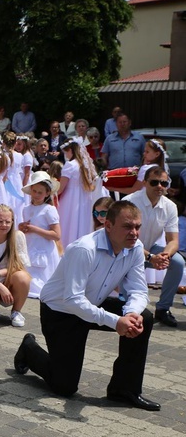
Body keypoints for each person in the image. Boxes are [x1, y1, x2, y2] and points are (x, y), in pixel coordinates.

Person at [13, 201, 160, 412]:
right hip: (61, 312)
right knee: (64, 386)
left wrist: (131, 314)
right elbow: (73, 299)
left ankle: (124, 389)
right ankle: (28, 349)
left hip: (92, 304)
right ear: (108, 225)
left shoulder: (135, 248)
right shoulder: (84, 249)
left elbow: (138, 290)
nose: (134, 233)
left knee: (143, 318)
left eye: (137, 226)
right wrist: (116, 321)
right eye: (127, 226)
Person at [127, 167, 184, 327]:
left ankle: (163, 309)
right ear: (144, 183)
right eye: (154, 182)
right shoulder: (131, 202)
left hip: (150, 250)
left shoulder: (170, 206)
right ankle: (128, 308)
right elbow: (127, 238)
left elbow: (173, 240)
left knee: (178, 262)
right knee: (126, 302)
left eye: (164, 183)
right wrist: (152, 257)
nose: (160, 186)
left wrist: (164, 256)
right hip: (127, 250)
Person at [0, 205, 31, 327]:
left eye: (7, 221)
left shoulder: (17, 236)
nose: (4, 225)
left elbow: (20, 264)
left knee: (23, 277)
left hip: (7, 277)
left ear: (12, 222)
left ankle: (16, 311)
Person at [20, 172, 61, 298]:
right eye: (34, 191)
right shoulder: (26, 209)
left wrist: (34, 229)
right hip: (30, 245)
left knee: (42, 276)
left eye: (40, 192)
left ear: (47, 193)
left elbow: (56, 235)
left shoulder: (49, 210)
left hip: (44, 248)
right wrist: (22, 228)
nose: (36, 195)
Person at [58, 139, 99, 249]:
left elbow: (61, 188)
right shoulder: (85, 166)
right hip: (84, 197)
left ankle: (65, 246)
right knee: (80, 221)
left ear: (70, 150)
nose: (66, 155)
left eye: (66, 152)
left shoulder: (70, 165)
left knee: (67, 222)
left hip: (70, 198)